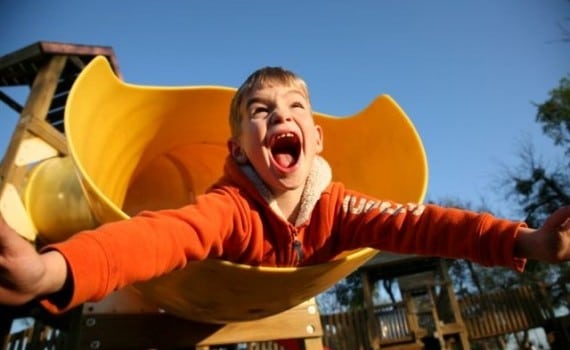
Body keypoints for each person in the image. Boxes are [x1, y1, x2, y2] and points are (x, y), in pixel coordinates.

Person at [0, 66, 569, 314]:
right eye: (260, 112)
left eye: (296, 107)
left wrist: (525, 242)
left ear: (316, 139)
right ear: (238, 147)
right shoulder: (229, 209)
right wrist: (51, 272)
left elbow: (422, 222)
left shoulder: (339, 207)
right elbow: (157, 237)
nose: (280, 117)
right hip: (193, 301)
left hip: (274, 300)